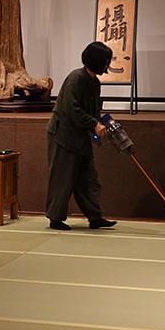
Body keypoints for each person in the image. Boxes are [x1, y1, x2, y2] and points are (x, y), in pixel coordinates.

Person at [45, 42, 118, 231]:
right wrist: (94, 124)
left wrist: (100, 123)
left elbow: (93, 110)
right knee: (62, 179)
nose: (108, 65)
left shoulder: (94, 83)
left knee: (88, 179)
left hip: (81, 137)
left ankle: (95, 217)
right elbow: (71, 109)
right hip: (63, 136)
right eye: (106, 61)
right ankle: (55, 218)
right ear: (97, 61)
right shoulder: (75, 78)